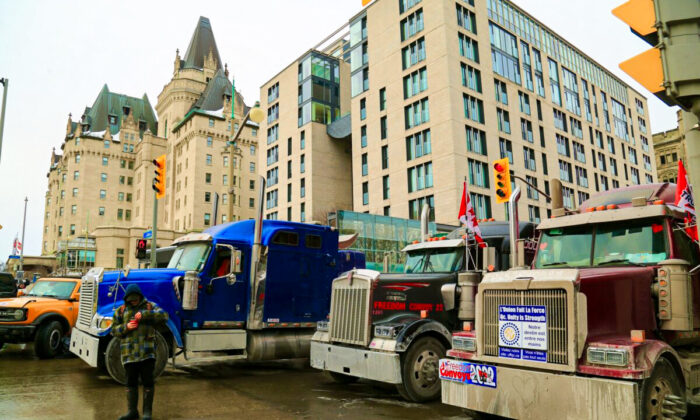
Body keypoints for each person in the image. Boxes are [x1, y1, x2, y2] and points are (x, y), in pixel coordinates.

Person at [112, 284, 168, 420]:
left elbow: (164, 315)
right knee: (130, 383)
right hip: (129, 355)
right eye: (131, 300)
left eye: (136, 299)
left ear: (140, 297)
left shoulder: (149, 306)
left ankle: (147, 413)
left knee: (148, 381)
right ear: (127, 299)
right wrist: (126, 327)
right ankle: (132, 412)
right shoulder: (121, 311)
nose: (134, 302)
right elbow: (113, 330)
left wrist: (144, 314)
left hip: (147, 353)